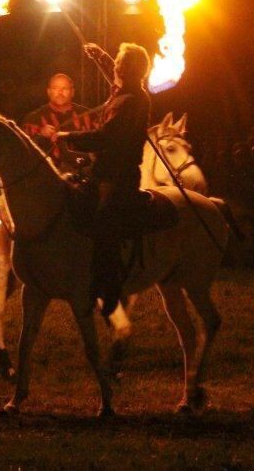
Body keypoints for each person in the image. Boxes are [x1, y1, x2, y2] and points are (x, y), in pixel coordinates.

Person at [55, 42, 152, 316]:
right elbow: (115, 74)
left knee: (104, 223)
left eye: (120, 63)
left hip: (118, 177)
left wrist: (68, 137)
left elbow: (106, 137)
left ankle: (109, 289)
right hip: (101, 171)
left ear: (127, 69)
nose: (116, 67)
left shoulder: (131, 102)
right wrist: (101, 56)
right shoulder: (125, 93)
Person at [22, 73, 95, 175]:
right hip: (49, 178)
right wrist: (40, 133)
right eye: (55, 88)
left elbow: (103, 142)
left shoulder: (89, 115)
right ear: (49, 92)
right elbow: (24, 152)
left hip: (85, 175)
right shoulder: (34, 118)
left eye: (65, 88)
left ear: (72, 92)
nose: (60, 92)